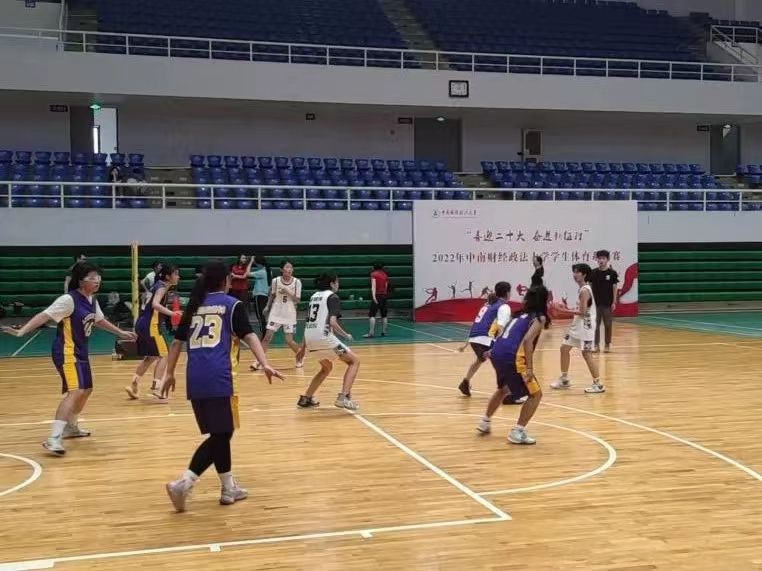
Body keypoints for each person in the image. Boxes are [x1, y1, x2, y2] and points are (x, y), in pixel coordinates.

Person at [162, 261, 284, 512]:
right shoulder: (232, 305)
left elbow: (176, 343)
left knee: (220, 433)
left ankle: (228, 488)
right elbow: (250, 335)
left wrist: (169, 373)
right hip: (220, 377)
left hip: (195, 378)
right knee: (221, 434)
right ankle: (184, 483)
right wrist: (264, 363)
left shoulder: (195, 306)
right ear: (226, 280)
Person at [1, 262, 136, 455]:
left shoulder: (92, 300)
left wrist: (120, 332)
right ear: (80, 281)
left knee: (86, 390)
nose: (97, 281)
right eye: (92, 278)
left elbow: (99, 320)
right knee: (75, 391)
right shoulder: (68, 300)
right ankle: (54, 438)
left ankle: (71, 427)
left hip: (81, 351)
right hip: (66, 351)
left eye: (98, 277)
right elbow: (44, 315)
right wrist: (22, 331)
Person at [476, 285, 550, 444]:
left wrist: (494, 350)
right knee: (536, 394)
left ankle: (485, 422)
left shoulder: (518, 315)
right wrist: (529, 368)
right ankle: (518, 431)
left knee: (504, 389)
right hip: (513, 357)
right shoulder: (539, 318)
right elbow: (528, 340)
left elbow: (503, 334)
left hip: (498, 353)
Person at [297, 272, 360, 411]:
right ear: (332, 283)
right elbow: (332, 322)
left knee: (326, 368)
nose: (338, 284)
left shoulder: (314, 296)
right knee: (354, 361)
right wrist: (345, 335)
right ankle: (344, 397)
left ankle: (306, 398)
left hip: (310, 339)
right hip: (324, 339)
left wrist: (303, 347)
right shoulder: (332, 297)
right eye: (337, 281)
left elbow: (308, 322)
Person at [126, 264, 182, 402]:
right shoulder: (162, 287)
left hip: (141, 324)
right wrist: (172, 313)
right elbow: (155, 304)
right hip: (150, 325)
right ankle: (157, 388)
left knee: (151, 357)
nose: (178, 277)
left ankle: (134, 384)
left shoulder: (156, 286)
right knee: (164, 355)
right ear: (168, 276)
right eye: (176, 274)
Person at [550, 263, 605, 394]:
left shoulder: (585, 290)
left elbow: (583, 312)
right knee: (564, 348)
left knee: (586, 354)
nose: (574, 275)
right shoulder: (582, 289)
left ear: (584, 274)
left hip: (585, 327)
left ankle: (598, 384)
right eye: (574, 272)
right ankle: (564, 379)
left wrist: (563, 310)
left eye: (577, 272)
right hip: (577, 326)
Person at [457, 281, 511, 397]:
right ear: (507, 293)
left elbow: (477, 323)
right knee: (503, 361)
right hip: (486, 338)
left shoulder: (487, 304)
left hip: (474, 339)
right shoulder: (503, 306)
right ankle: (506, 391)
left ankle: (465, 382)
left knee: (480, 359)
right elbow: (500, 328)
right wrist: (499, 345)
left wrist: (466, 343)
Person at [251, 259, 303, 370]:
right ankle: (258, 361)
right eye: (287, 267)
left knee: (289, 341)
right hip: (276, 311)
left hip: (289, 313)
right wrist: (267, 306)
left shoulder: (297, 282)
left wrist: (287, 291)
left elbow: (297, 300)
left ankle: (300, 357)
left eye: (291, 267)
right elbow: (272, 295)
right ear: (281, 269)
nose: (289, 269)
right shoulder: (275, 281)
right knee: (267, 337)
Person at [590, 250, 619, 353]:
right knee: (595, 325)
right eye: (599, 258)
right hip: (596, 304)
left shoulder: (612, 273)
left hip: (607, 303)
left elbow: (614, 287)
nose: (601, 260)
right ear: (597, 259)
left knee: (608, 324)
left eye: (603, 258)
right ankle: (596, 345)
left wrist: (614, 302)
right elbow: (590, 287)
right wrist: (590, 301)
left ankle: (607, 344)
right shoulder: (593, 273)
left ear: (607, 259)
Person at [364, 262, 390, 338]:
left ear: (374, 267)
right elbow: (386, 287)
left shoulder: (373, 274)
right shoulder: (385, 275)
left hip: (377, 296)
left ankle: (371, 333)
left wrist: (374, 297)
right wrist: (385, 295)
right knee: (384, 315)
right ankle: (384, 332)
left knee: (372, 315)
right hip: (384, 296)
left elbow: (373, 286)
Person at [249, 255, 271, 338]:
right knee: (263, 315)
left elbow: (247, 273)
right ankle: (265, 332)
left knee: (260, 316)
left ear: (259, 264)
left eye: (256, 263)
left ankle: (264, 333)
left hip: (259, 296)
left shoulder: (261, 272)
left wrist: (251, 262)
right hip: (265, 295)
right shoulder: (268, 271)